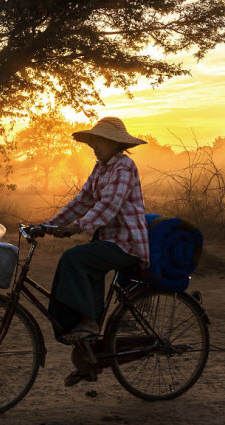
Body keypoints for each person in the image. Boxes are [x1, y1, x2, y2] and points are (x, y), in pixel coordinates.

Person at [44, 117, 150, 345]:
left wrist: (78, 227)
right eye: (93, 142)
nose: (94, 147)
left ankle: (89, 323)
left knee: (74, 258)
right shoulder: (101, 168)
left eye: (98, 142)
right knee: (78, 261)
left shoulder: (124, 166)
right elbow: (82, 201)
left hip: (127, 244)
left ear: (114, 143)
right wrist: (49, 225)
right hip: (107, 240)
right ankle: (85, 334)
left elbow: (109, 205)